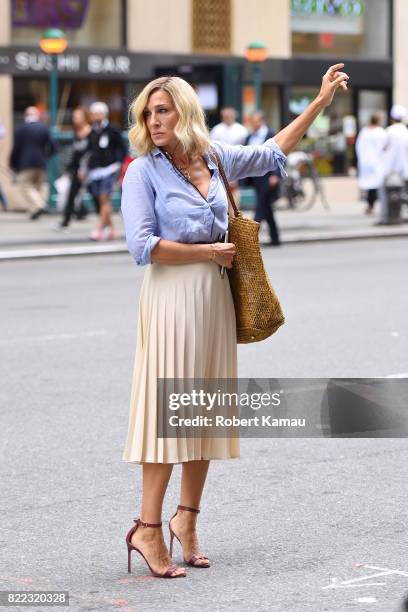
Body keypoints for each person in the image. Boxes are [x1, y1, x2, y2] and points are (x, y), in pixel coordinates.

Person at [121, 65, 349, 579]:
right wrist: (207, 254)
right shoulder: (143, 171)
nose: (154, 120)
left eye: (163, 110)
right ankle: (147, 528)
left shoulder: (216, 156)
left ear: (185, 112)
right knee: (169, 416)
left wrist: (318, 102)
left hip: (215, 302)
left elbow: (272, 151)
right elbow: (142, 247)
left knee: (203, 414)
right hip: (173, 299)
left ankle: (188, 520)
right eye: (147, 113)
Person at [80, 101, 127, 241]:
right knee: (102, 201)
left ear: (104, 114)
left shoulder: (113, 130)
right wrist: (84, 168)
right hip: (96, 170)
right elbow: (88, 152)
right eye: (93, 114)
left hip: (110, 168)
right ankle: (112, 230)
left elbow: (122, 148)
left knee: (104, 197)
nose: (95, 116)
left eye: (98, 113)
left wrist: (119, 162)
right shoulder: (92, 132)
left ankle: (99, 228)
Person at [9, 106, 54, 220]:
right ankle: (34, 211)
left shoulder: (20, 129)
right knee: (39, 187)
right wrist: (46, 157)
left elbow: (16, 148)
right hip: (41, 162)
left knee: (25, 185)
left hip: (26, 163)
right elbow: (53, 146)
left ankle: (39, 205)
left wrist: (13, 163)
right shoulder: (44, 128)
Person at [245, 111, 281, 246]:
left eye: (255, 121)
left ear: (261, 121)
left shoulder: (271, 135)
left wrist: (275, 175)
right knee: (267, 208)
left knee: (260, 207)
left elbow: (279, 155)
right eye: (251, 122)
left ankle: (250, 239)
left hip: (268, 177)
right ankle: (275, 238)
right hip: (255, 177)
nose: (253, 124)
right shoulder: (249, 137)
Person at [56, 107, 91, 229]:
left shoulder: (91, 132)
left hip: (89, 169)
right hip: (76, 169)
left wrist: (85, 168)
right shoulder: (76, 132)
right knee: (71, 194)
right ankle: (66, 221)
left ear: (85, 117)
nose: (75, 119)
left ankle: (105, 221)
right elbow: (75, 154)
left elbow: (91, 153)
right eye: (74, 117)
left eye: (78, 116)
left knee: (97, 196)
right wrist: (69, 170)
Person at [210, 107, 248, 204]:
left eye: (229, 116)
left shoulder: (241, 130)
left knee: (234, 189)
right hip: (220, 162)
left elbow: (245, 147)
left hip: (236, 161)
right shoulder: (216, 129)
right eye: (225, 116)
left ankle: (235, 214)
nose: (227, 118)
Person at [378, 104, 408, 224]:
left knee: (387, 195)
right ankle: (402, 214)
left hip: (390, 169)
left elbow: (383, 148)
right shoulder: (406, 131)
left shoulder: (389, 131)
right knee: (404, 194)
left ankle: (386, 217)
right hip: (405, 168)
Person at [355, 113, 386, 215]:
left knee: (370, 185)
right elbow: (384, 146)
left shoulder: (364, 131)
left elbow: (358, 146)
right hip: (377, 161)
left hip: (365, 162)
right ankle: (373, 205)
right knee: (376, 184)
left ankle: (370, 205)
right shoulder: (380, 132)